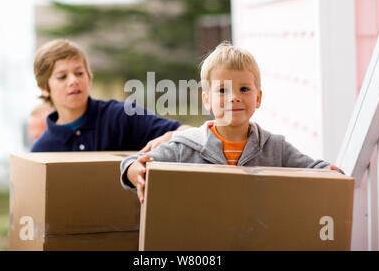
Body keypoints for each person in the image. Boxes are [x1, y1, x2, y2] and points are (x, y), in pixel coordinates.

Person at [120, 42, 341, 203]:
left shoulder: (275, 148)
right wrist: (132, 169)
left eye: (244, 89)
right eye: (223, 90)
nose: (234, 97)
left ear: (258, 98)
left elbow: (314, 170)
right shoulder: (185, 147)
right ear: (207, 100)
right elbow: (134, 162)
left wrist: (330, 172)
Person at [31, 39, 190, 152]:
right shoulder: (42, 151)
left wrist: (171, 136)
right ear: (44, 88)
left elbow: (189, 133)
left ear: (89, 77)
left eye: (79, 73)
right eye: (62, 77)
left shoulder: (123, 115)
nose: (73, 81)